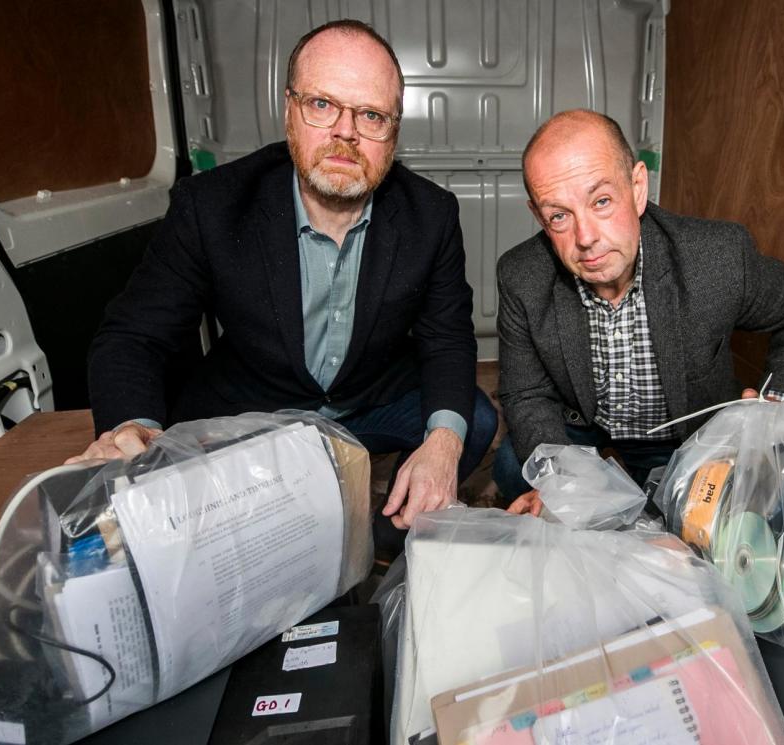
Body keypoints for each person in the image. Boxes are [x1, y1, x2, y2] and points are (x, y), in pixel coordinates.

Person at [71, 20, 497, 539]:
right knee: (185, 516)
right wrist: (132, 427)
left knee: (467, 421)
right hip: (254, 406)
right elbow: (133, 338)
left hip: (369, 398)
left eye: (371, 115)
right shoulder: (211, 206)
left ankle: (369, 543)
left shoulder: (430, 215)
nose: (346, 132)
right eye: (322, 105)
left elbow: (446, 337)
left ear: (393, 132)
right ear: (289, 109)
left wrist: (441, 447)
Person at [494, 110, 784, 515]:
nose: (585, 238)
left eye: (601, 201)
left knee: (718, 511)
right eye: (559, 216)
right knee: (515, 469)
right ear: (538, 215)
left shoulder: (718, 257)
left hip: (678, 435)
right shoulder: (522, 275)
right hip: (581, 421)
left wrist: (782, 401)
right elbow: (526, 393)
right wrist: (562, 480)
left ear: (638, 186)